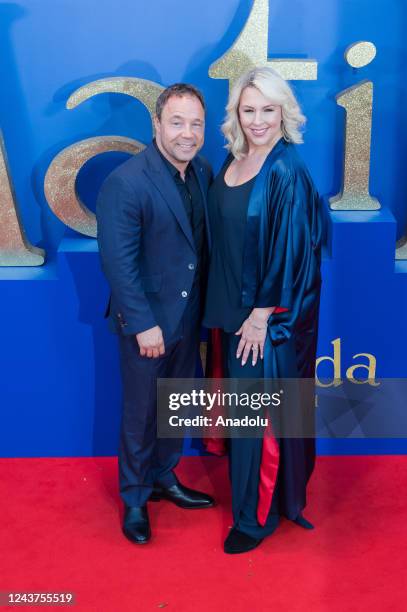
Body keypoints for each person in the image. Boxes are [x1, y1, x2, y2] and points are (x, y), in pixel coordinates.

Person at [204, 66, 322, 554]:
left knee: (258, 423)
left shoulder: (286, 170)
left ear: (283, 113)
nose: (257, 120)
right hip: (227, 312)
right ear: (236, 113)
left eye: (267, 110)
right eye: (248, 109)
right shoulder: (232, 159)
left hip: (262, 322)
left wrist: (258, 315)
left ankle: (253, 521)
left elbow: (292, 252)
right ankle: (267, 502)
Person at [97, 83, 214, 545]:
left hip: (189, 317)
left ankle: (164, 477)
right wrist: (144, 324)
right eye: (178, 122)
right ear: (158, 126)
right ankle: (134, 497)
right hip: (147, 322)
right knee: (141, 414)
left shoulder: (202, 172)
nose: (188, 133)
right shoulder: (127, 181)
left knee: (176, 408)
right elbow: (118, 263)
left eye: (196, 124)